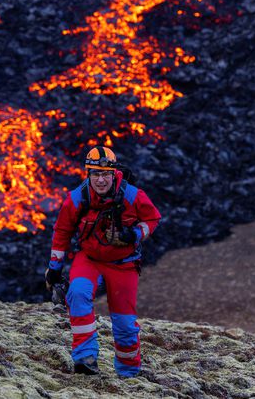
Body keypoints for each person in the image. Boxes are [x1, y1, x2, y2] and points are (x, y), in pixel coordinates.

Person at [45, 146, 162, 377]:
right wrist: (54, 269)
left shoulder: (133, 195)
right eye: (95, 174)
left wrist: (134, 234)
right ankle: (85, 359)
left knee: (125, 324)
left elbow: (153, 218)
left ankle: (129, 373)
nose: (101, 180)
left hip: (124, 263)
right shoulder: (77, 198)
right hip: (89, 259)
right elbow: (62, 233)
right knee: (77, 293)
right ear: (88, 174)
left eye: (105, 174)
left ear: (114, 173)